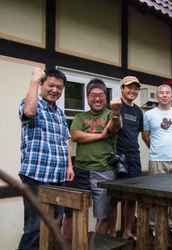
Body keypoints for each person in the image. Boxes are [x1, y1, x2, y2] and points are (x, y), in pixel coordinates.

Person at [18, 67, 74, 250]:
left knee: (54, 225)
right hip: (35, 177)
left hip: (57, 178)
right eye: (51, 85)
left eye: (59, 87)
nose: (55, 90)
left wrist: (69, 166)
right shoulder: (31, 103)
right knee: (34, 229)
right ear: (42, 84)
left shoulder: (59, 113)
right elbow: (29, 112)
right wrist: (34, 79)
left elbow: (64, 141)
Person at [64, 78, 122, 235]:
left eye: (101, 94)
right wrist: (101, 135)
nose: (97, 98)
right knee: (74, 212)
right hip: (80, 170)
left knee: (102, 215)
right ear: (87, 97)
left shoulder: (112, 114)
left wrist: (116, 113)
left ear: (106, 96)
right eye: (93, 95)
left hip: (103, 171)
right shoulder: (80, 117)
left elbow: (114, 129)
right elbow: (75, 135)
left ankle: (97, 245)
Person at [142, 84, 172, 237]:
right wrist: (156, 148)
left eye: (168, 93)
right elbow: (145, 136)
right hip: (157, 159)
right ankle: (155, 225)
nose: (164, 95)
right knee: (156, 194)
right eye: (161, 93)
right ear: (157, 96)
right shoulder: (149, 115)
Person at [117, 76, 143, 240]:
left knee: (132, 196)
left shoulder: (138, 111)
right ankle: (112, 232)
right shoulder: (115, 106)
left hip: (134, 156)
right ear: (122, 88)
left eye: (135, 88)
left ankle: (127, 230)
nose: (132, 91)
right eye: (129, 87)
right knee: (115, 197)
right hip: (116, 155)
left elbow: (140, 133)